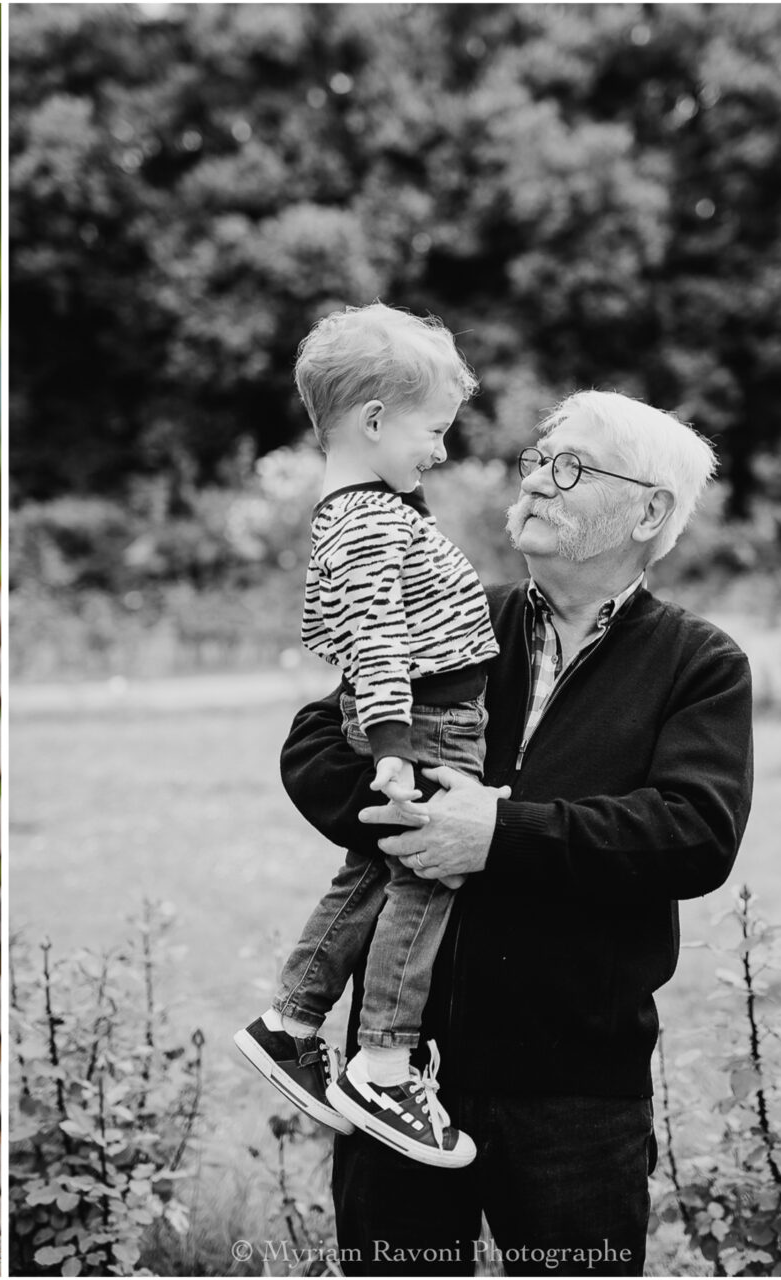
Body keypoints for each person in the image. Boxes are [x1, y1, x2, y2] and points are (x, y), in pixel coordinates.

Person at [279, 390, 753, 1275]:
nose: (534, 479)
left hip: (576, 1087)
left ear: (648, 510)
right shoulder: (459, 614)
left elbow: (694, 832)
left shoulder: (701, 663)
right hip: (399, 1073)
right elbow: (315, 743)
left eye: (568, 467)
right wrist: (417, 817)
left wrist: (499, 833)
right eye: (537, 459)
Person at [234, 305, 495, 1169]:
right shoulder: (370, 525)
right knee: (430, 874)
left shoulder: (362, 510)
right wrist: (389, 745)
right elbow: (375, 637)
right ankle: (384, 1061)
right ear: (375, 421)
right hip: (423, 720)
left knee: (377, 870)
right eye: (434, 430)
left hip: (416, 713)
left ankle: (291, 1023)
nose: (443, 451)